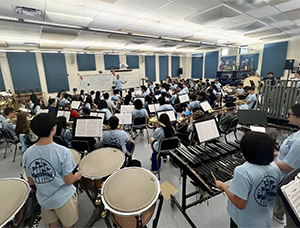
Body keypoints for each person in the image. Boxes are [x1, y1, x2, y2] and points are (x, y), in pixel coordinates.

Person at [23, 113, 81, 228]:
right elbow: (69, 180)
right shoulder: (63, 152)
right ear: (53, 128)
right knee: (68, 225)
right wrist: (78, 176)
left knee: (52, 223)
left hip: (44, 198)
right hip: (63, 199)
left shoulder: (27, 154)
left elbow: (31, 182)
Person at [215, 131, 281, 228]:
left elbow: (240, 203)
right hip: (264, 219)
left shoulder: (242, 171)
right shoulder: (275, 168)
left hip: (244, 222)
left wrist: (223, 186)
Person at [273, 104, 300, 227]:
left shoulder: (299, 142)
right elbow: (291, 153)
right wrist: (278, 153)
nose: (286, 116)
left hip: (285, 182)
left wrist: (266, 161)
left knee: (285, 215)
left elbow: (289, 167)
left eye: (289, 114)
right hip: (282, 170)